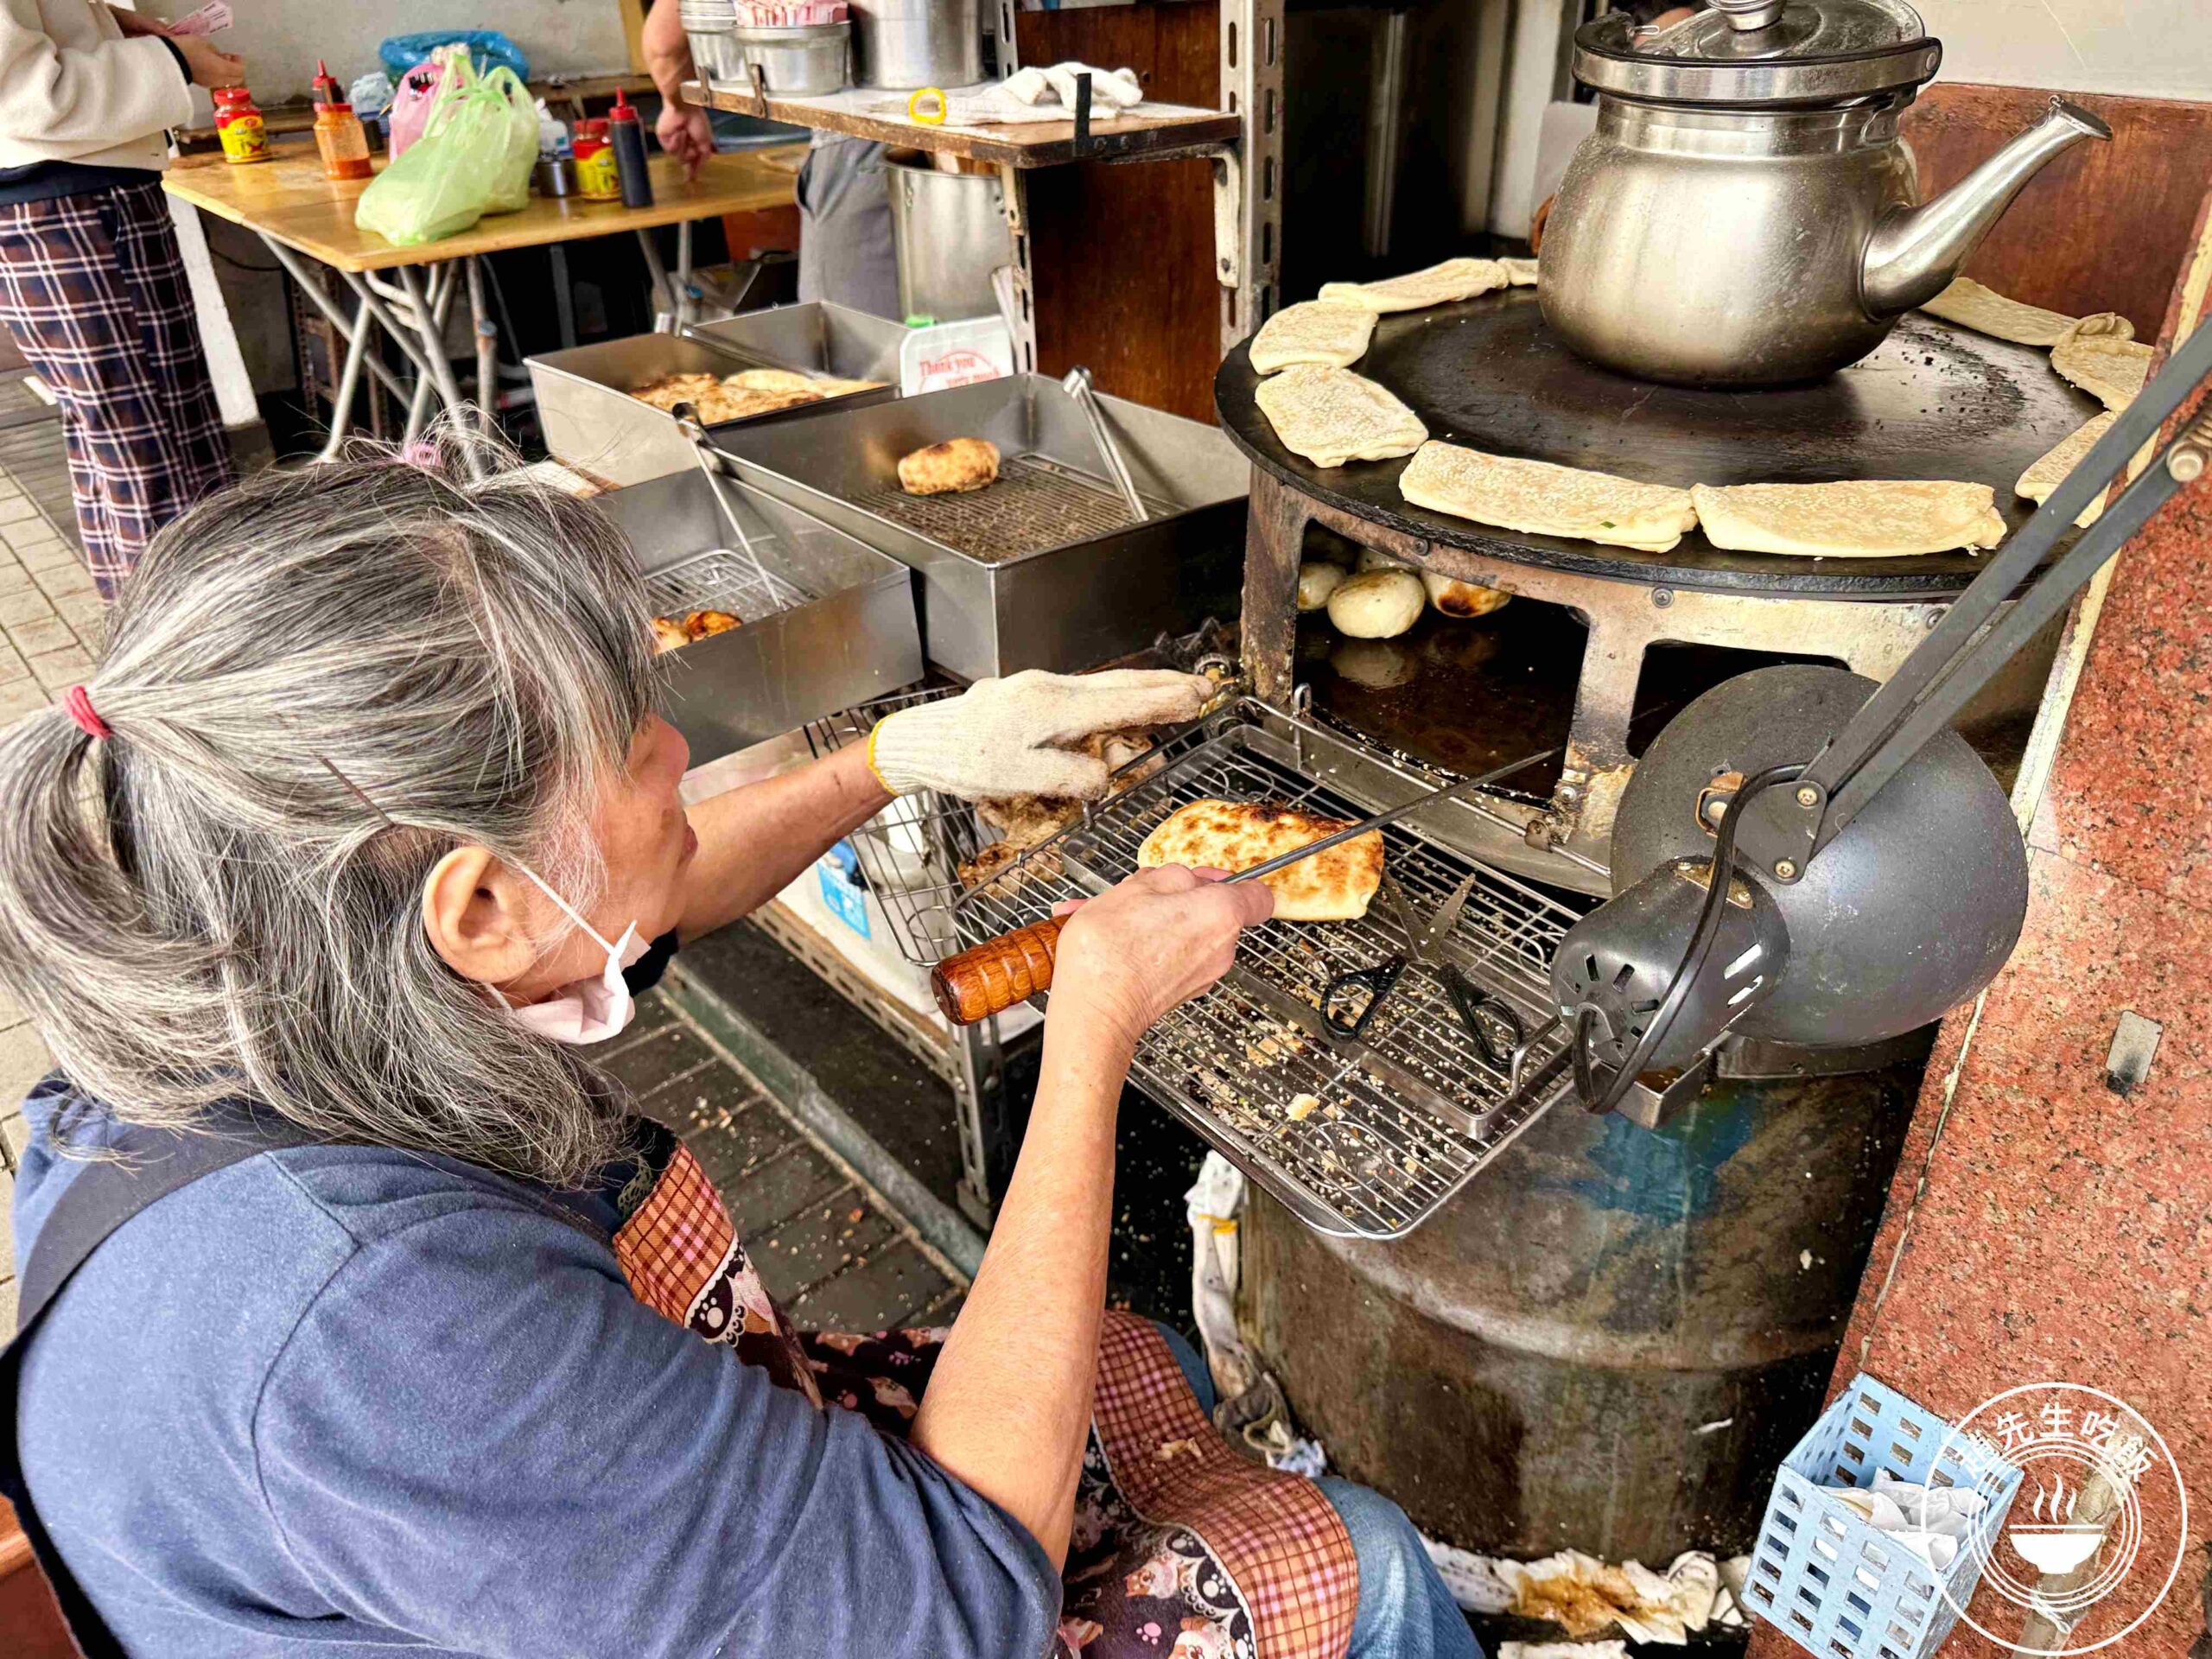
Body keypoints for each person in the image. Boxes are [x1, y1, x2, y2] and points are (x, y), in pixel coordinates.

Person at [0, 429, 1482, 1659]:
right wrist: (1089, 1021)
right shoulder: (384, 1335)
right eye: (639, 738)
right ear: (484, 903)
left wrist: (890, 759)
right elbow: (959, 1601)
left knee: (1138, 1353)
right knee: (1366, 1556)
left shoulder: (234, 961)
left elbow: (641, 894)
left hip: (550, 1524)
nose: (679, 750)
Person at [0, 1, 244, 600]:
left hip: (64, 201)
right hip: (74, 206)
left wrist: (110, 20)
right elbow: (28, 93)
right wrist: (176, 59)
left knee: (120, 447)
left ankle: (151, 653)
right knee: (153, 448)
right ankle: (193, 661)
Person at [641, 0, 900, 320]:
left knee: (850, 339)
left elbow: (665, 45)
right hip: (969, 136)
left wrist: (678, 104)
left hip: (867, 130)